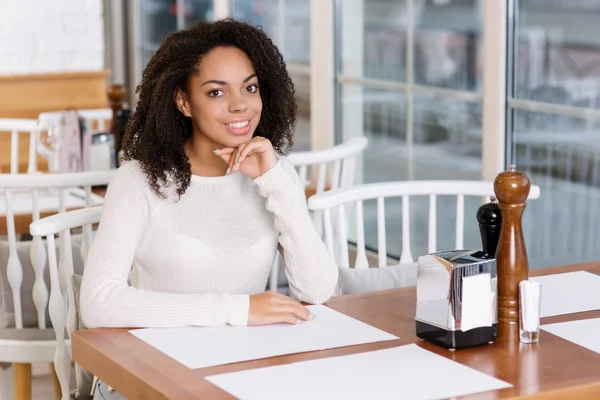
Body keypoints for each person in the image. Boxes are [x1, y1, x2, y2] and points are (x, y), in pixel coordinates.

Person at [79, 18, 339, 335]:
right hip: (159, 364)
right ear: (183, 101)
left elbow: (318, 291)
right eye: (216, 92)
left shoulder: (276, 175)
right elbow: (98, 303)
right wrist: (237, 309)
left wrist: (274, 181)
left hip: (243, 359)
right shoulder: (139, 181)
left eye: (250, 87)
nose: (240, 105)